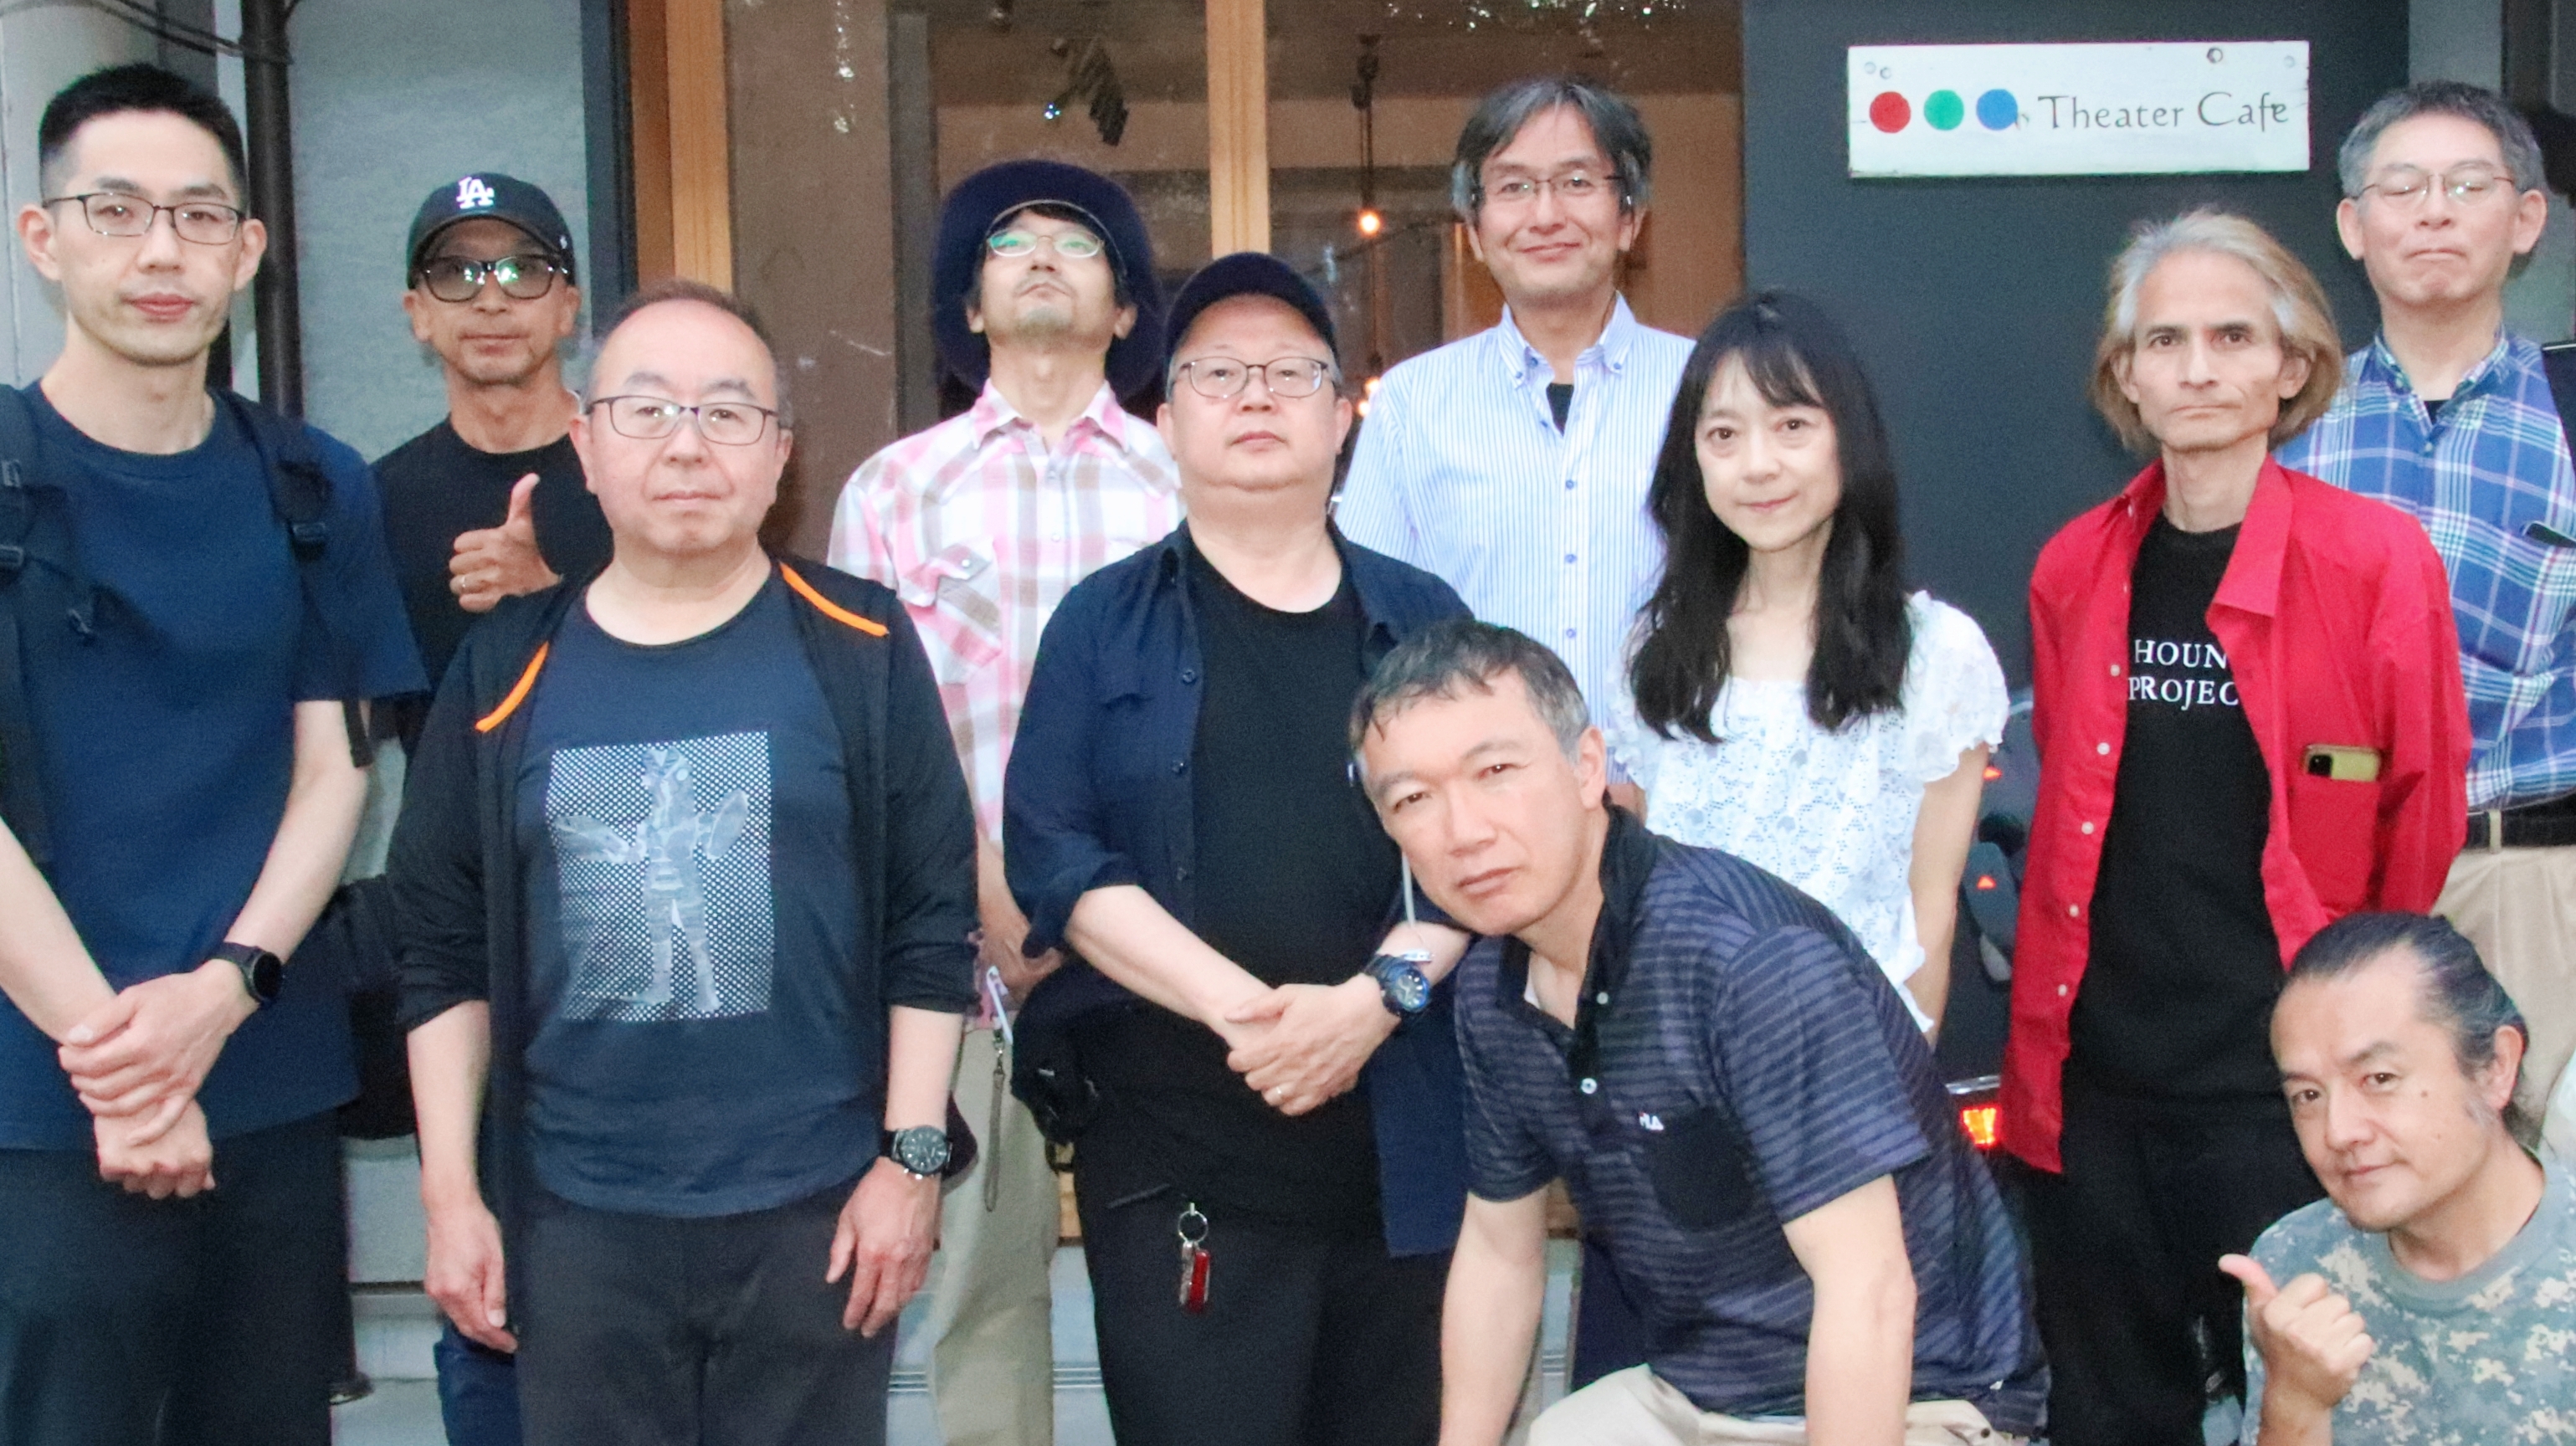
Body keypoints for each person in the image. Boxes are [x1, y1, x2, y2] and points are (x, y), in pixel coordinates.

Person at [389, 279, 975, 1446]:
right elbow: (439, 951)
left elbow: (931, 920)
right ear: (586, 445)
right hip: (578, 1224)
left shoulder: (860, 645)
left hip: (816, 1214)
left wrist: (909, 1165)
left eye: (727, 411)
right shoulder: (504, 670)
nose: (687, 445)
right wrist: (452, 1198)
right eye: (647, 409)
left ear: (780, 453)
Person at [0, 64, 423, 1445]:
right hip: (39, 1095)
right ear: (43, 237)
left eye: (196, 215)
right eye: (116, 210)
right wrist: (121, 1062)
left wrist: (224, 994)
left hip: (263, 1067)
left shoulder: (311, 484)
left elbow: (335, 770)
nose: (160, 251)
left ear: (248, 252)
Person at [2006, 210, 2471, 1446]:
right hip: (2097, 1088)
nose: (2197, 369)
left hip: (2281, 1094)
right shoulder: (2073, 568)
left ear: (2290, 365)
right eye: (2164, 341)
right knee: (2109, 1414)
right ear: (2126, 375)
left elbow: (2418, 818)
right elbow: (2066, 817)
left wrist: (2358, 1053)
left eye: (2231, 337)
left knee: (2319, 1408)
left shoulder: (2374, 562)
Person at [1353, 619, 2045, 1446]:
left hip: (1919, 1397)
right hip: (1699, 1396)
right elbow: (1501, 1253)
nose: (1463, 831)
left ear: (1587, 767)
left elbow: (1869, 1291)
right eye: (1413, 799)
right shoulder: (1491, 991)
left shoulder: (1748, 961)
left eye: (1495, 772)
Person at [1003, 253, 1472, 1446]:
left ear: (1342, 415)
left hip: (1397, 1160)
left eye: (1289, 372)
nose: (1255, 394)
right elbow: (1052, 854)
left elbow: (1485, 858)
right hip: (1175, 1158)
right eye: (1216, 373)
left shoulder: (1424, 618)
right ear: (1166, 422)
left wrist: (1373, 1002)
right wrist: (1249, 1014)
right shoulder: (1100, 622)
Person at [829, 159, 1180, 1446]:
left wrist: (1100, 911)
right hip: (963, 961)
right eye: (1008, 242)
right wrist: (987, 893)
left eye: (1076, 244)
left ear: (1126, 307)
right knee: (977, 1294)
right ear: (968, 306)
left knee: (1183, 1290)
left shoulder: (1188, 484)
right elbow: (869, 732)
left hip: (1165, 955)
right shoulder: (891, 490)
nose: (1039, 257)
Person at [2275, 82, 2576, 1139]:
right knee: (2361, 1167)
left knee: (2553, 1187)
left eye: (2467, 185)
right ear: (2354, 225)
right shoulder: (2287, 420)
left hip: (2537, 878)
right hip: (2341, 879)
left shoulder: (2568, 411)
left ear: (2526, 218)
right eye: (2401, 188)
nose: (2434, 212)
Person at [1607, 291, 2006, 1034]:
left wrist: (1898, 1080)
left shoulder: (1937, 653)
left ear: (1847, 439)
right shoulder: (1654, 649)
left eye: (1792, 426)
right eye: (1723, 434)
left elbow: (1931, 914)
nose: (1758, 466)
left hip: (1854, 1061)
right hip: (1678, 1053)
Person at [1338, 73, 1691, 723]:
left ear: (1630, 219)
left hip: (1670, 775)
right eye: (1513, 187)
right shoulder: (1412, 404)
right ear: (1474, 230)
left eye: (1577, 182)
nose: (1545, 215)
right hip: (1473, 776)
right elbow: (1364, 620)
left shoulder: (1705, 387)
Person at [2219, 913, 2570, 1445]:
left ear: (2496, 1066)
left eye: (2379, 1078)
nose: (2338, 1131)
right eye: (2307, 1095)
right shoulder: (2297, 1263)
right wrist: (2294, 1404)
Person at [378, 172, 613, 692]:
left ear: (568, 308)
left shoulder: (636, 476)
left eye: (522, 271)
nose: (490, 301)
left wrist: (541, 596)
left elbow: (693, 671)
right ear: (418, 314)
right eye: (455, 273)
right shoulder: (377, 501)